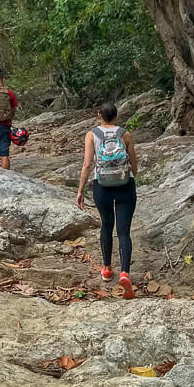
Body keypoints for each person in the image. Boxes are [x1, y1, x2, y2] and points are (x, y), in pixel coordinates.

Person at [76, 102, 139, 299]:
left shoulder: (91, 135)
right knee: (124, 231)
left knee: (106, 226)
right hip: (125, 185)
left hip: (102, 186)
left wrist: (80, 190)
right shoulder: (125, 134)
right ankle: (125, 273)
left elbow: (87, 164)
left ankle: (106, 269)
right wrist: (132, 177)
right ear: (116, 116)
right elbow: (134, 163)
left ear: (99, 116)